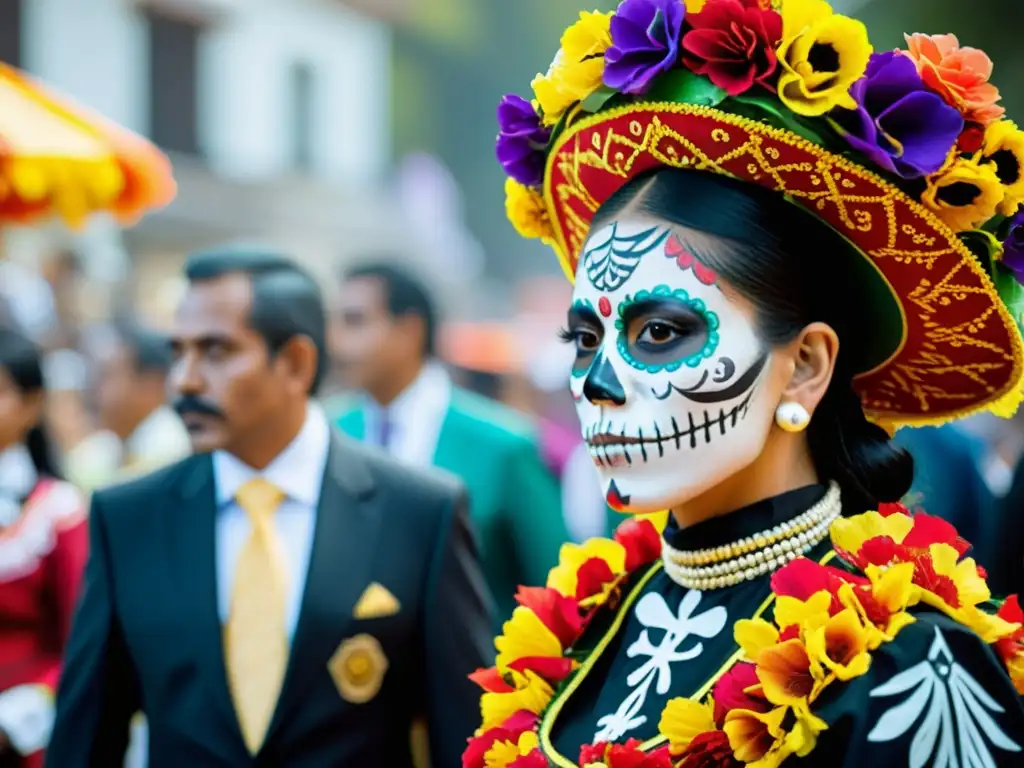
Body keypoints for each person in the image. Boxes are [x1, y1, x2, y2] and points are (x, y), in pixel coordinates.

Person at [465, 3, 1024, 765]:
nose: (596, 383)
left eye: (660, 333)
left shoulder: (912, 663)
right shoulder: (587, 625)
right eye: (584, 339)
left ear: (807, 366)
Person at [47, 247, 493, 767]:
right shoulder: (127, 518)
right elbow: (84, 740)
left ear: (296, 363)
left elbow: (466, 736)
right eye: (178, 352)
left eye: (215, 351)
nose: (184, 381)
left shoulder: (419, 512)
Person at [331, 262, 568, 624]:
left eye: (355, 321)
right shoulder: (329, 433)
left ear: (409, 330)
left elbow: (556, 588)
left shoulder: (503, 444)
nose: (336, 342)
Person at [0, 326, 88, 768]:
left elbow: (83, 642)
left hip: (26, 740)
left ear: (32, 405)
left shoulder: (57, 512)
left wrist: (13, 718)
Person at [64, 321, 190, 493]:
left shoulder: (173, 451)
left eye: (105, 375)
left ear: (152, 384)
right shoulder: (108, 447)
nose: (91, 388)